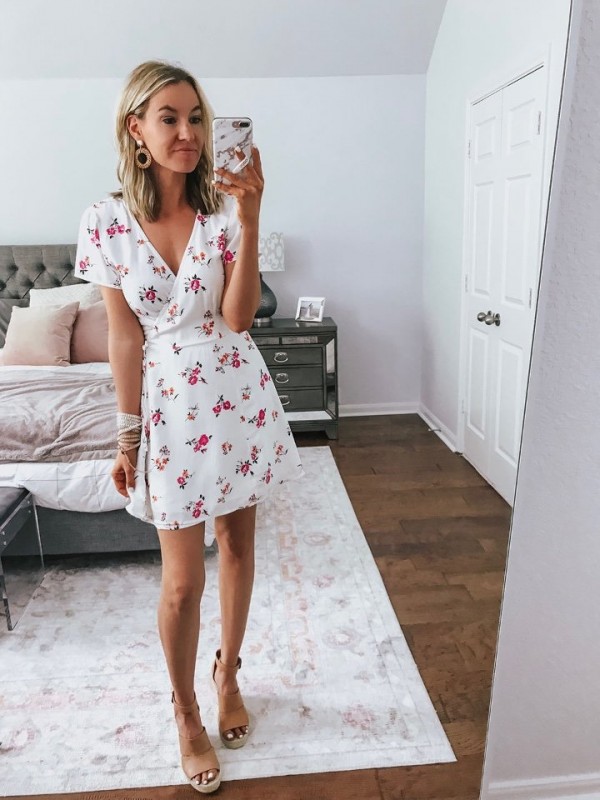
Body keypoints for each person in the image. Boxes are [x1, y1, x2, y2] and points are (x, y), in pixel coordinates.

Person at [74, 60, 304, 794]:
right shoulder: (106, 221)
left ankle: (227, 673)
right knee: (181, 583)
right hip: (171, 410)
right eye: (168, 118)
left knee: (237, 546)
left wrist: (251, 215)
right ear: (136, 131)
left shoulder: (222, 212)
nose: (187, 132)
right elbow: (123, 337)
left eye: (197, 117)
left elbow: (238, 319)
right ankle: (184, 711)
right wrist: (126, 437)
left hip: (237, 396)